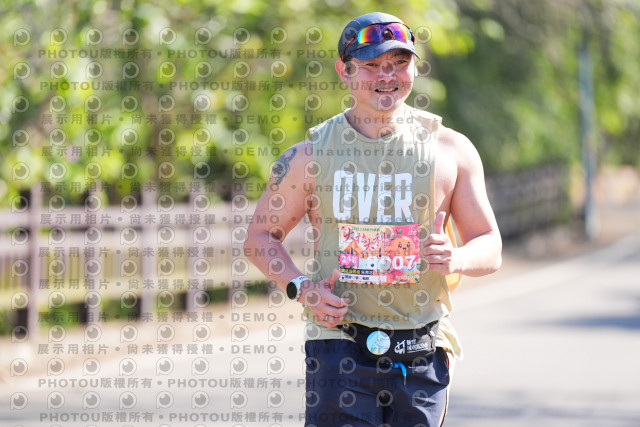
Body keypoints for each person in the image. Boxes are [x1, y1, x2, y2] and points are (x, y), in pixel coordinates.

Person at [245, 11, 502, 426]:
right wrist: (302, 288)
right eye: (371, 64)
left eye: (399, 62)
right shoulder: (310, 155)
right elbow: (259, 238)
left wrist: (456, 258)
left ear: (414, 69)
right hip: (338, 341)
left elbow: (490, 245)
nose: (387, 75)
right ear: (344, 72)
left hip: (422, 347)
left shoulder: (451, 150)